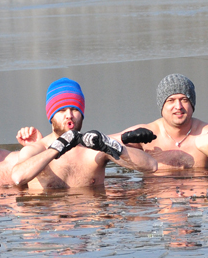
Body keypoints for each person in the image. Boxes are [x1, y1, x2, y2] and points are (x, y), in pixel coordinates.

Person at [11, 77, 159, 188]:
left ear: (82, 113)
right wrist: (55, 149)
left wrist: (112, 145)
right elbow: (17, 178)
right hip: (52, 225)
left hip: (90, 223)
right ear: (51, 116)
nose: (69, 115)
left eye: (75, 109)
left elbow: (151, 166)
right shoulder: (37, 150)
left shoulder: (94, 148)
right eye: (61, 110)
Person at [117, 74, 208, 171]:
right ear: (162, 106)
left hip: (200, 203)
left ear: (192, 104)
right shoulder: (145, 133)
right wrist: (125, 139)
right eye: (171, 100)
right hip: (159, 202)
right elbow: (98, 142)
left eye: (184, 99)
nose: (178, 106)